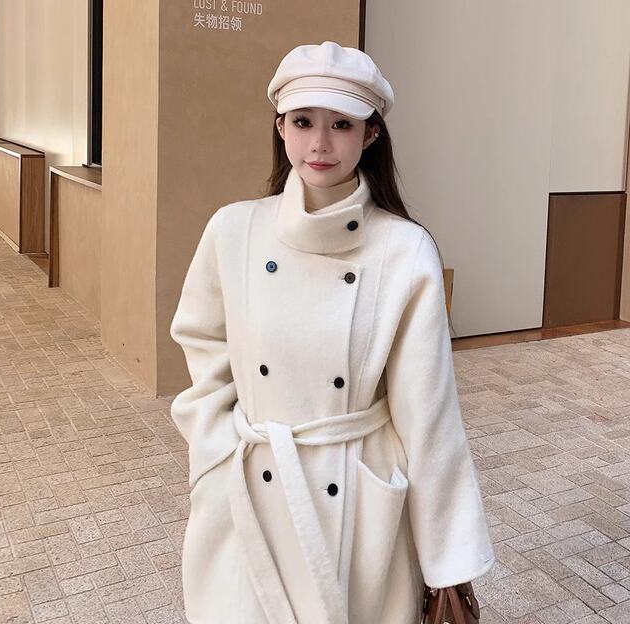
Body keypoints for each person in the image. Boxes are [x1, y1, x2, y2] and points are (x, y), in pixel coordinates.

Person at [170, 40, 495, 624]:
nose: (320, 143)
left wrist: (448, 559)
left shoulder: (404, 250)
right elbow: (204, 347)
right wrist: (214, 449)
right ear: (280, 127)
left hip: (356, 495)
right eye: (303, 122)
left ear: (370, 134)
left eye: (341, 124)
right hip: (251, 488)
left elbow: (428, 414)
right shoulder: (233, 230)